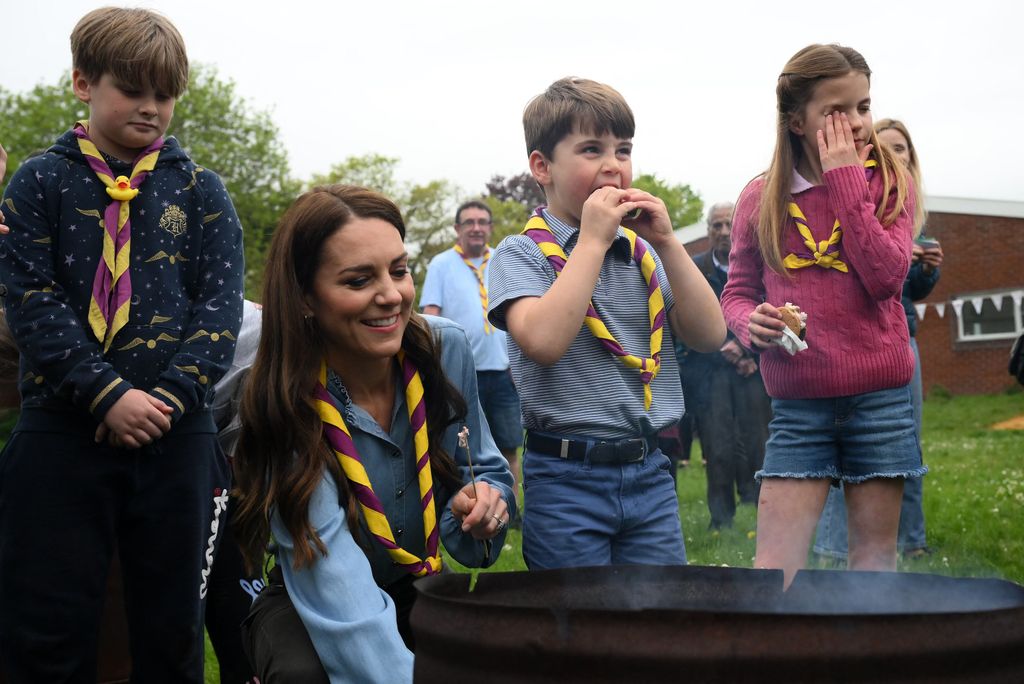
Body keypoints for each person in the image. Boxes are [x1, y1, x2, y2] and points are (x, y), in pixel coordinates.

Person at [0, 7, 244, 682]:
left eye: (164, 95)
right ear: (83, 82)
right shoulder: (39, 182)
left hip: (177, 433)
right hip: (61, 430)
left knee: (170, 636)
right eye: (132, 90)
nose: (151, 108)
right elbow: (31, 300)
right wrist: (107, 395)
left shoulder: (201, 192)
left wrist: (164, 398)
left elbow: (218, 310)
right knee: (45, 630)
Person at [231, 185, 515, 683]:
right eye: (359, 280)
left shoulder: (443, 348)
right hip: (313, 592)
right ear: (304, 297)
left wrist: (482, 509)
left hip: (419, 581)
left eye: (399, 270)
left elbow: (483, 474)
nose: (391, 295)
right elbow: (332, 574)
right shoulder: (282, 394)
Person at [487, 77, 725, 570]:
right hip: (565, 476)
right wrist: (591, 242)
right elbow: (545, 342)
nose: (613, 165)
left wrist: (668, 243)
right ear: (542, 167)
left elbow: (709, 335)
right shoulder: (521, 254)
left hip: (649, 470)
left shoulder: (642, 255)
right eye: (591, 149)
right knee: (577, 624)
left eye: (623, 149)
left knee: (660, 617)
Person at [720, 44, 924, 588]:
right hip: (797, 405)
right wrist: (749, 323)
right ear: (795, 120)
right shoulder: (759, 199)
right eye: (839, 111)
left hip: (879, 399)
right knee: (775, 571)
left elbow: (885, 278)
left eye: (863, 106)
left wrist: (844, 180)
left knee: (872, 567)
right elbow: (736, 293)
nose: (858, 124)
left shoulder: (888, 183)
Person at [813, 118, 942, 562]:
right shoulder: (853, 199)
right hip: (854, 340)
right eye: (886, 147)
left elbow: (907, 290)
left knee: (905, 445)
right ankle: (834, 546)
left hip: (902, 339)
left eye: (903, 149)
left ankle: (912, 539)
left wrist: (925, 271)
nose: (895, 156)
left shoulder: (910, 212)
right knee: (841, 444)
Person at [421, 200, 524, 496]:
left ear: (490, 227)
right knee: (457, 444)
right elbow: (431, 314)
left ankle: (509, 506)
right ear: (457, 229)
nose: (476, 228)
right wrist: (435, 367)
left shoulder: (504, 261)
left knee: (508, 444)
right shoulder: (441, 264)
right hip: (459, 374)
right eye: (469, 222)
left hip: (503, 372)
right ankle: (461, 501)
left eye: (482, 222)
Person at [680, 202, 772, 530]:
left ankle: (768, 517)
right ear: (708, 231)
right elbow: (685, 319)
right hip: (710, 373)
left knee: (760, 443)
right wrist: (721, 346)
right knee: (717, 447)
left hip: (753, 370)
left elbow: (772, 311)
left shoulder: (759, 266)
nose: (722, 232)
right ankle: (720, 520)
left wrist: (748, 348)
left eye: (728, 225)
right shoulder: (695, 268)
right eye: (716, 226)